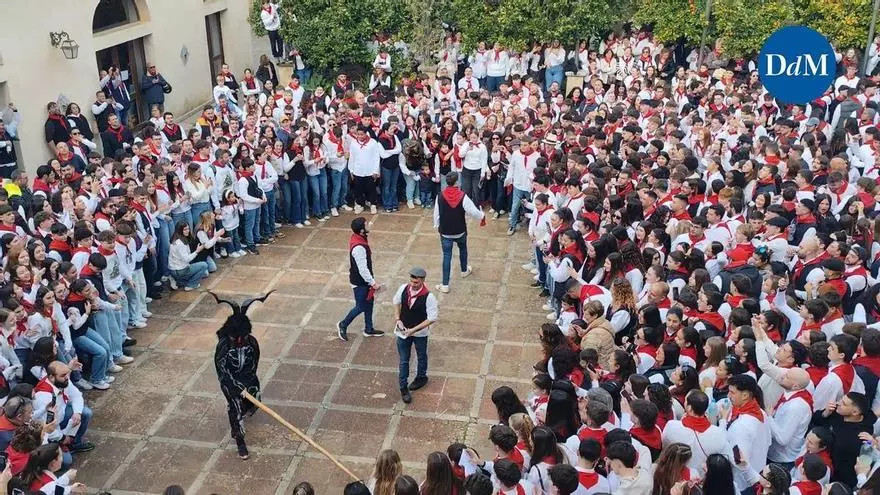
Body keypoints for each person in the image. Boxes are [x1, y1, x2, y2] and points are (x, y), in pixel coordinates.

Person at [210, 291, 272, 460]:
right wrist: (237, 388)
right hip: (230, 382)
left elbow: (254, 363)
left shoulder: (251, 342)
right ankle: (240, 441)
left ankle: (246, 408)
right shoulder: (224, 346)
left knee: (254, 401)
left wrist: (250, 383)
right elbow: (222, 370)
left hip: (248, 378)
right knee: (235, 407)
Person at [433, 171, 485, 293]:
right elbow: (473, 211)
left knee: (446, 256)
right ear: (457, 182)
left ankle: (445, 284)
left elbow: (436, 214)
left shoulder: (440, 195)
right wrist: (481, 216)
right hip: (460, 230)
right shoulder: (463, 196)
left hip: (445, 232)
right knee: (463, 249)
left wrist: (437, 225)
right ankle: (464, 270)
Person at [393, 267, 438, 404]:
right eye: (411, 281)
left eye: (416, 282)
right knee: (404, 360)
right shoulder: (403, 289)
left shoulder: (429, 297)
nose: (413, 285)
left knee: (421, 355)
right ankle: (403, 387)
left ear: (423, 280)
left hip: (420, 333)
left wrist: (414, 330)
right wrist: (397, 318)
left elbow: (432, 318)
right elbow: (396, 302)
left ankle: (421, 377)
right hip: (403, 330)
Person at [337, 217, 384, 341]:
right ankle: (343, 324)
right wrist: (373, 283)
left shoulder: (359, 238)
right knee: (361, 306)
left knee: (369, 303)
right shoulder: (359, 248)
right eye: (366, 224)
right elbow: (362, 269)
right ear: (362, 230)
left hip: (363, 280)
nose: (369, 224)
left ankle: (369, 328)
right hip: (360, 282)